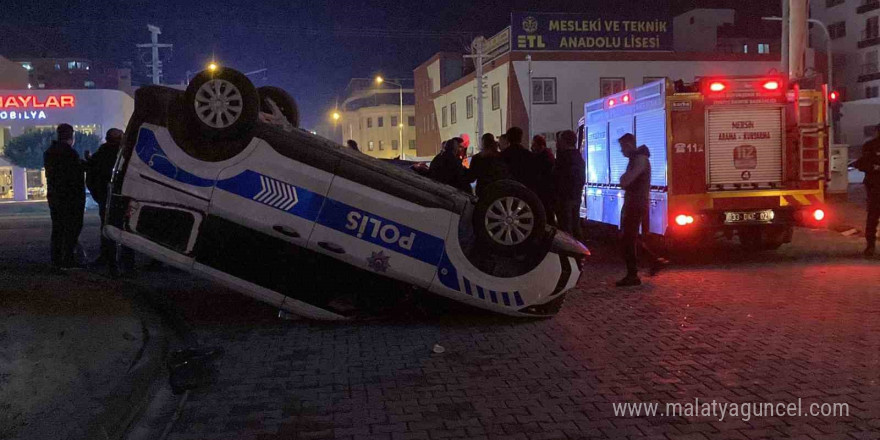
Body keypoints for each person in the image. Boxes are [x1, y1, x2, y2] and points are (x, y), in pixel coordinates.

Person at [44, 123, 85, 271]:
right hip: (70, 198)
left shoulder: (50, 152)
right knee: (71, 228)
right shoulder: (70, 153)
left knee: (58, 229)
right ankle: (67, 259)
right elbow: (74, 175)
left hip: (55, 197)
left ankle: (57, 260)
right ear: (71, 136)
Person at [616, 133, 652, 287]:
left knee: (628, 239)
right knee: (630, 238)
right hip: (634, 203)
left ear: (629, 145)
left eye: (623, 147)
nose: (621, 151)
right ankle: (653, 262)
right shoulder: (637, 159)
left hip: (636, 204)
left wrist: (624, 179)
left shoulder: (639, 160)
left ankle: (633, 275)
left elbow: (625, 180)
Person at [85, 128, 123, 273]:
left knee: (106, 228)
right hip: (120, 197)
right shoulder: (123, 153)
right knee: (122, 228)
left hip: (106, 198)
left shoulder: (103, 152)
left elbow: (92, 172)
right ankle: (123, 262)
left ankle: (109, 259)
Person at [553, 130, 585, 240]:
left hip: (564, 197)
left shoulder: (563, 158)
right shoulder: (578, 156)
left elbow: (557, 177)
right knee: (575, 222)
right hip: (576, 195)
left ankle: (570, 251)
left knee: (565, 226)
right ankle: (579, 247)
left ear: (564, 141)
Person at [855, 125, 880, 258]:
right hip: (875, 188)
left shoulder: (870, 145)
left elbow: (862, 164)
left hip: (874, 188)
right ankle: (870, 246)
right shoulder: (870, 146)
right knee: (872, 217)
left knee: (872, 218)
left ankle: (870, 247)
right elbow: (863, 164)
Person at [466, 133, 509, 198]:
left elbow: (472, 177)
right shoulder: (501, 156)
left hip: (483, 190)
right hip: (498, 189)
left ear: (482, 143)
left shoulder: (477, 158)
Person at [500, 127, 539, 195]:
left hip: (508, 190)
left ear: (508, 139)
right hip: (526, 190)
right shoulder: (528, 155)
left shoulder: (502, 156)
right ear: (520, 138)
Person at [531, 134, 556, 223]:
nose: (532, 147)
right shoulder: (548, 156)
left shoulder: (543, 158)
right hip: (547, 190)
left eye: (534, 145)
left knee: (546, 212)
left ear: (540, 145)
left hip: (544, 190)